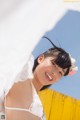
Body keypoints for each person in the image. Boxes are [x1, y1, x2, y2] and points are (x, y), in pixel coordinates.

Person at [0, 37, 78, 120]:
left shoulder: (40, 111)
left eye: (60, 72)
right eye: (54, 64)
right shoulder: (21, 73)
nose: (54, 73)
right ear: (41, 59)